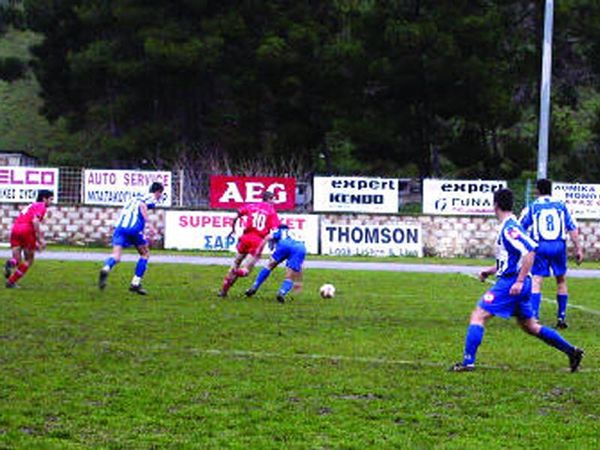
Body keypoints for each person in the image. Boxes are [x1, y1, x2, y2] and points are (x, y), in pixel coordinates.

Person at [451, 188, 584, 372]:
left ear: (495, 205)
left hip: (511, 284)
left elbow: (530, 250)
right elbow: (511, 260)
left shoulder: (510, 228)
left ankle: (467, 362)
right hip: (516, 282)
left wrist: (519, 281)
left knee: (478, 315)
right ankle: (572, 351)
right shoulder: (510, 225)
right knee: (531, 326)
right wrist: (489, 271)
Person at [519, 178, 583, 329]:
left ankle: (534, 317)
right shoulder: (561, 206)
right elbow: (572, 228)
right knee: (561, 280)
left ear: (537, 191)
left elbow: (520, 226)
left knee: (536, 280)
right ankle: (561, 317)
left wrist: (522, 247)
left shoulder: (533, 207)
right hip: (559, 245)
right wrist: (578, 248)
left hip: (540, 245)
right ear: (550, 190)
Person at [98, 182, 164, 295]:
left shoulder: (132, 198)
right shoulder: (150, 197)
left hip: (120, 228)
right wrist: (149, 225)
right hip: (134, 229)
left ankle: (106, 268)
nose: (160, 196)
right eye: (160, 193)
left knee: (116, 256)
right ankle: (135, 283)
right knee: (145, 254)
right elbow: (142, 205)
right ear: (157, 192)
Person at [218, 190, 280, 297]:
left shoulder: (252, 206)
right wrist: (273, 242)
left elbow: (236, 215)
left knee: (236, 262)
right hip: (257, 241)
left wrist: (233, 229)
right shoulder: (271, 211)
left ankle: (223, 291)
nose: (275, 201)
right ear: (269, 199)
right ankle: (237, 271)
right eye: (274, 199)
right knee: (245, 270)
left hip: (245, 237)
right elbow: (275, 230)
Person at [244, 224, 307, 303]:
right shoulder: (294, 234)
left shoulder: (280, 231)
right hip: (300, 248)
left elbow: (268, 237)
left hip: (284, 245)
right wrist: (299, 282)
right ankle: (282, 292)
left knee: (269, 265)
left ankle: (254, 287)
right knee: (290, 275)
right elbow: (299, 267)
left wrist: (259, 251)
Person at [5, 189, 54, 288]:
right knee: (29, 260)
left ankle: (11, 263)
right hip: (26, 230)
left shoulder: (31, 205)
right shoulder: (41, 206)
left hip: (15, 229)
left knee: (17, 260)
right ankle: (11, 282)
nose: (51, 202)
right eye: (50, 199)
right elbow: (35, 221)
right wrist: (40, 239)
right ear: (44, 199)